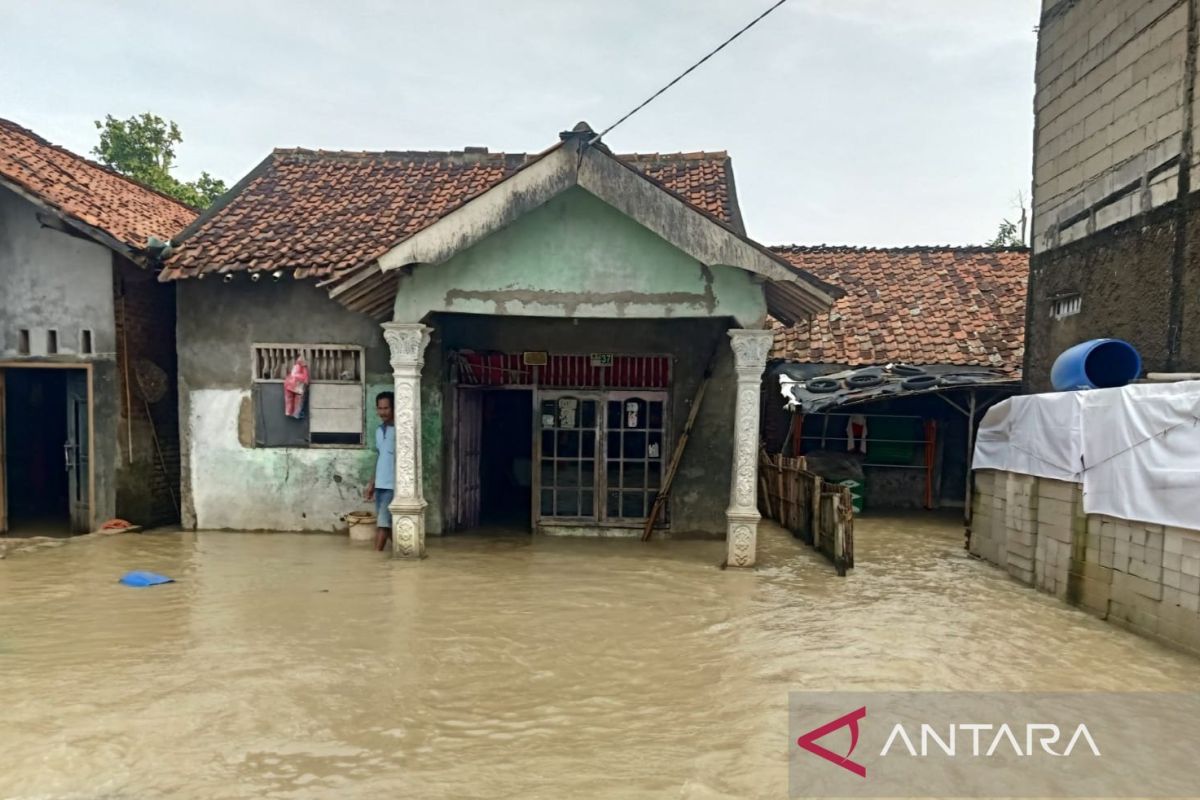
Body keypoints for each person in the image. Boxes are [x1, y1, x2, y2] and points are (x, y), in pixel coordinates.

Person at [365, 391, 395, 551]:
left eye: (386, 408)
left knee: (383, 525)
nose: (382, 412)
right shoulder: (379, 430)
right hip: (381, 485)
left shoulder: (401, 431)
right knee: (386, 524)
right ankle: (403, 551)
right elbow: (380, 457)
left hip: (394, 486)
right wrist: (372, 483)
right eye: (380, 408)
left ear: (394, 408)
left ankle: (376, 558)